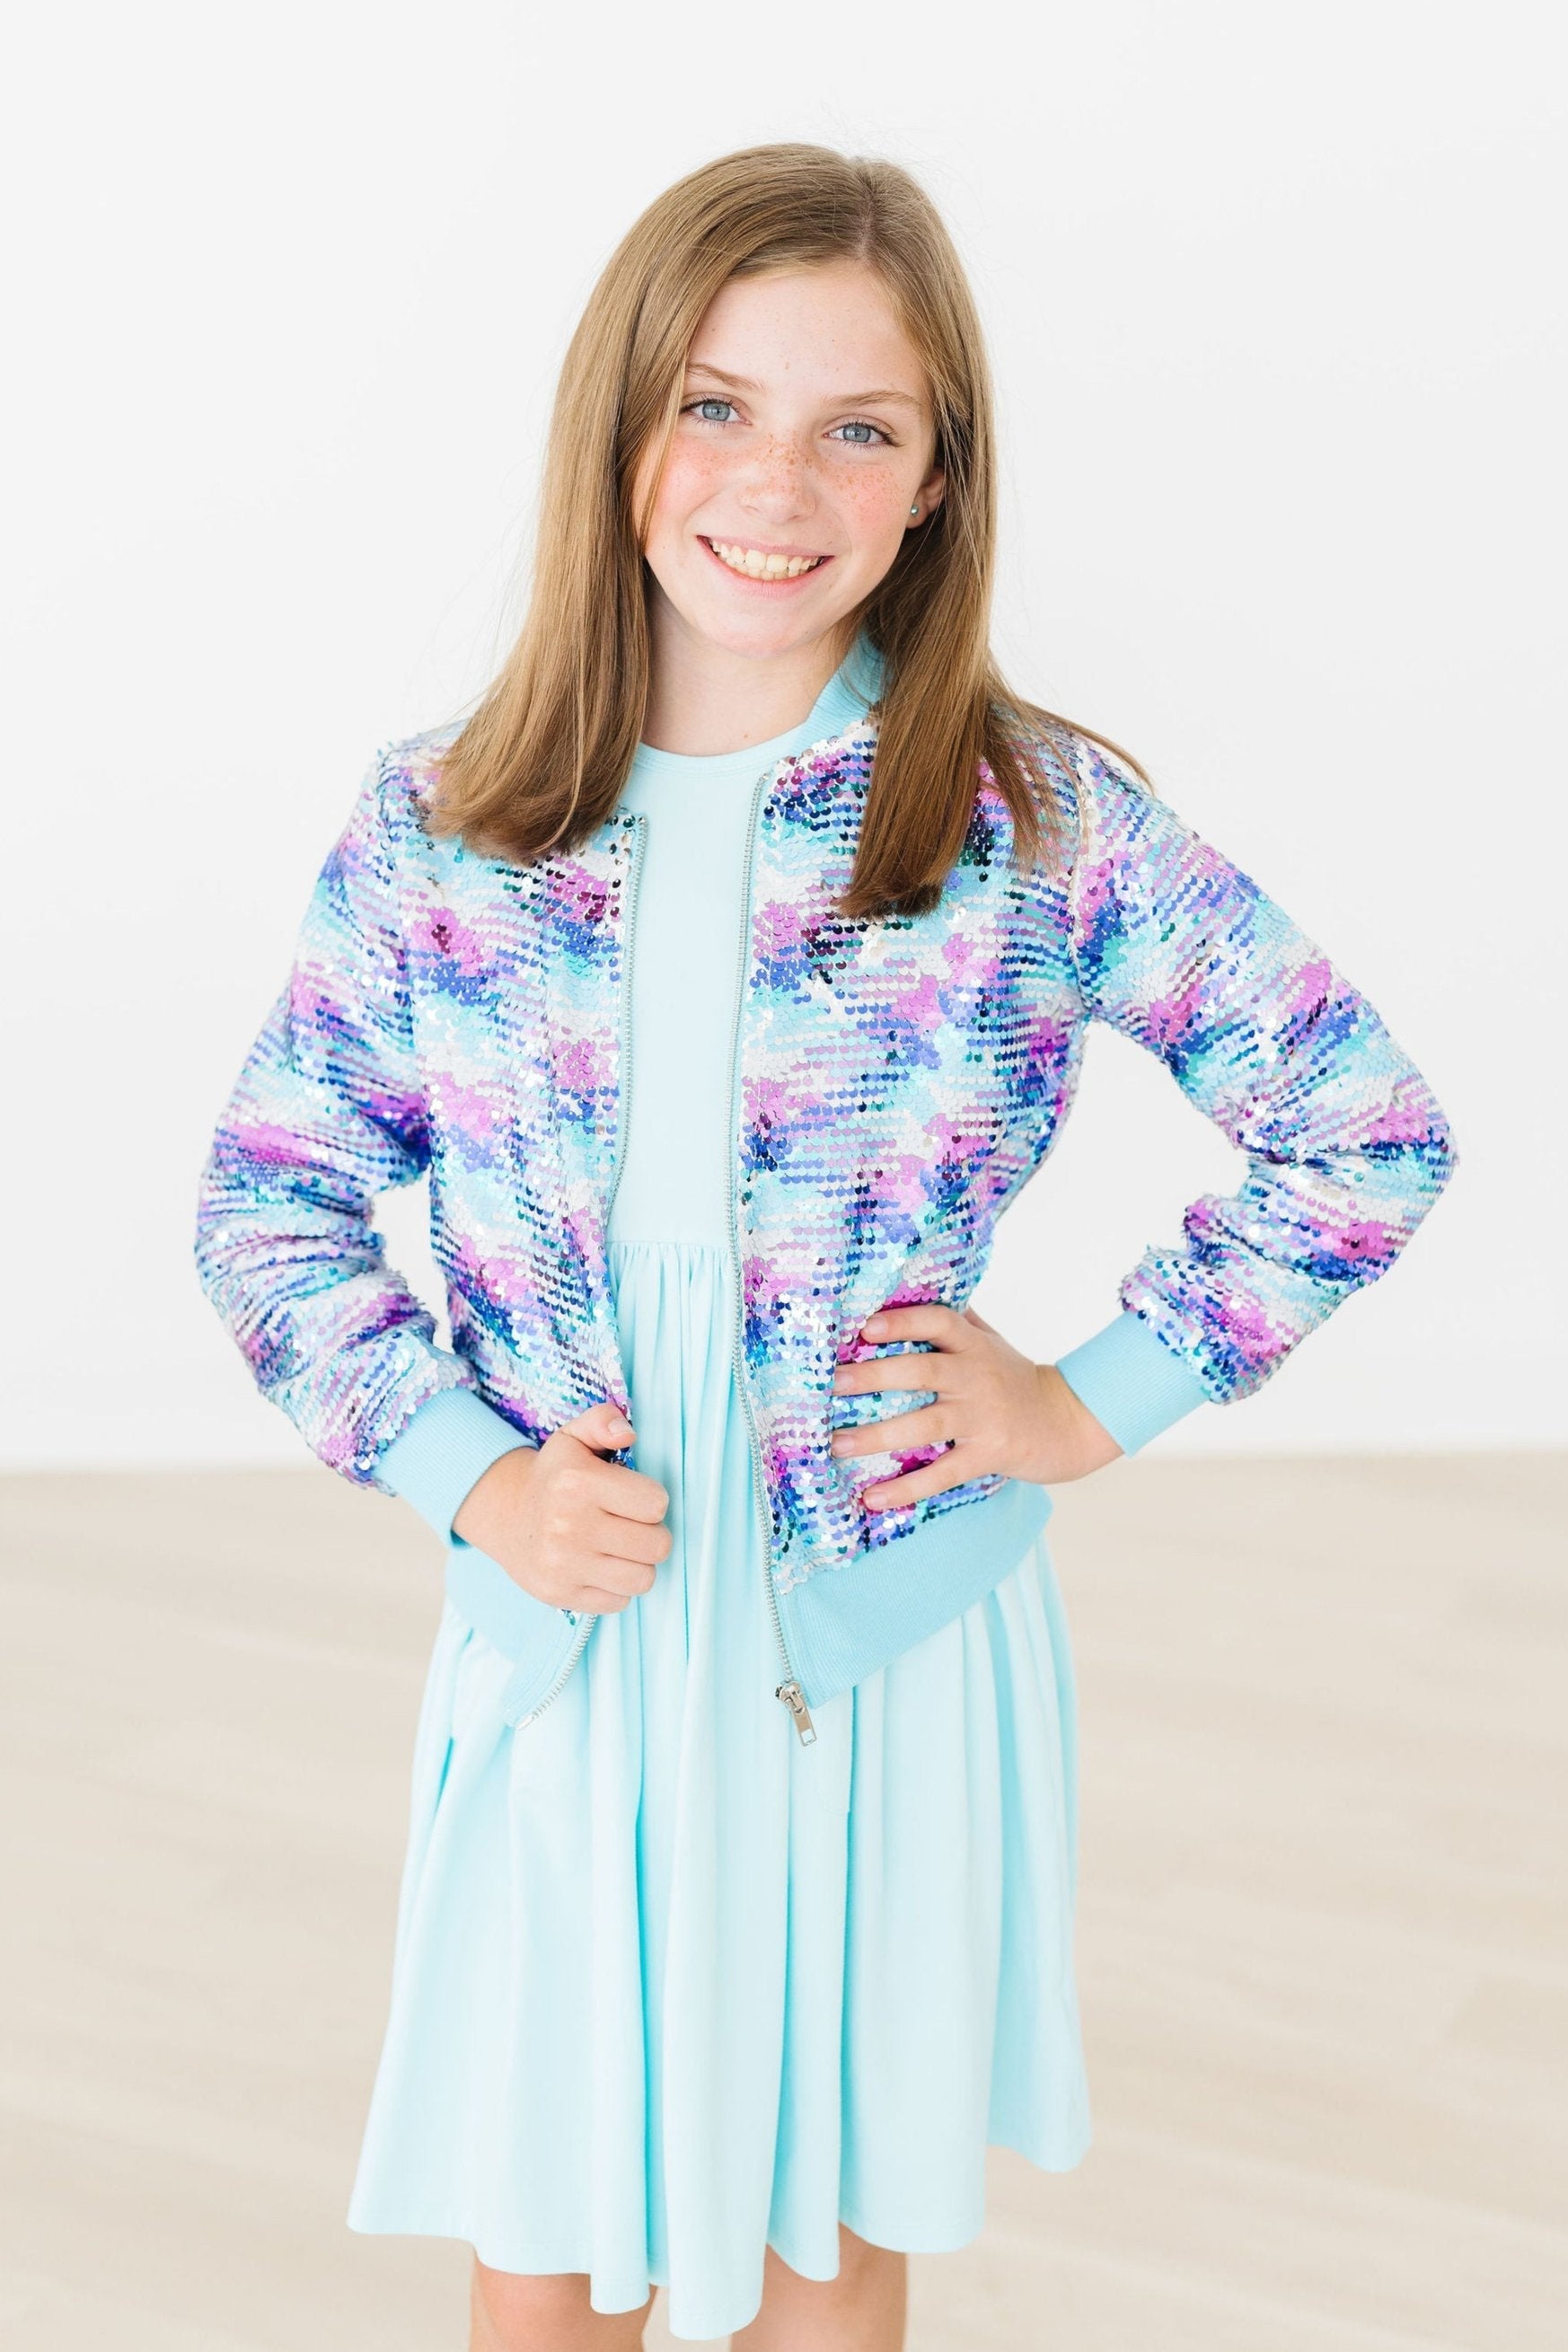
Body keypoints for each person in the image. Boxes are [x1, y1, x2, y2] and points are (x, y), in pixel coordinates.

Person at [193, 143, 1457, 2352]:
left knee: (824, 2234)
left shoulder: (1029, 821)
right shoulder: (444, 824)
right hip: (576, 1616)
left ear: (938, 476)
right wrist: (469, 1478)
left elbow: (1363, 1123)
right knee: (552, 2231)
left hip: (879, 1637)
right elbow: (270, 1207)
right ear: (618, 428)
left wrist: (1084, 1400)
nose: (777, 482)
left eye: (858, 426)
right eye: (716, 404)